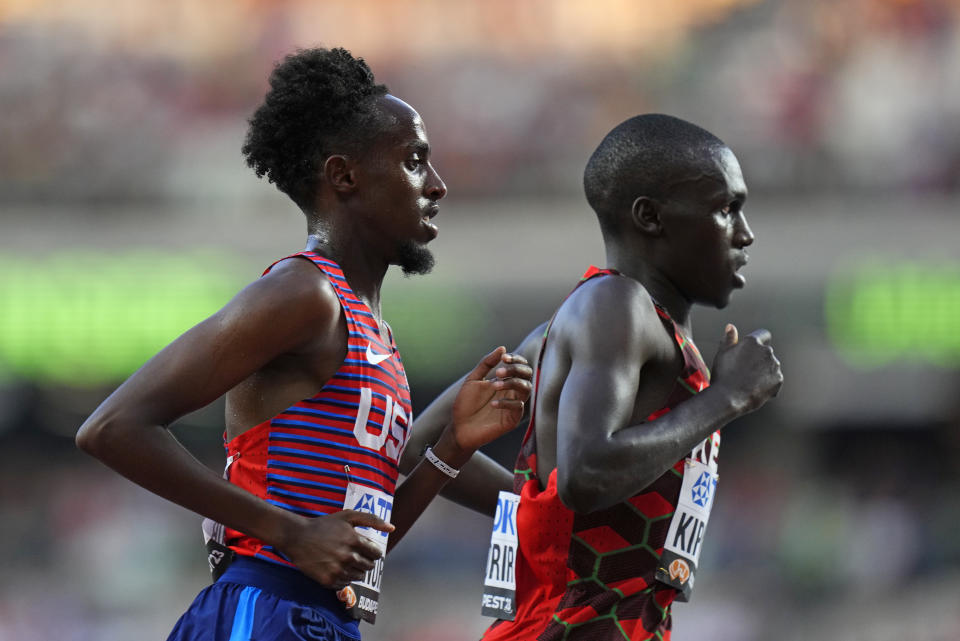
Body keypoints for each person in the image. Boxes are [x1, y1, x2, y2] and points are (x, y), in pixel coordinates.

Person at [75, 47, 532, 641]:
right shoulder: (303, 293)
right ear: (344, 176)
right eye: (415, 161)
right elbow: (111, 428)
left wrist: (452, 446)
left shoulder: (375, 332)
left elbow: (357, 547)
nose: (438, 185)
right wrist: (290, 533)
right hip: (262, 608)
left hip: (325, 617)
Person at [413, 114, 784, 640]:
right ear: (650, 217)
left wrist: (534, 513)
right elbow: (588, 472)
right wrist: (728, 399)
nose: (745, 234)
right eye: (725, 209)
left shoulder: (563, 332)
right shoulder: (617, 303)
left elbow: (420, 442)